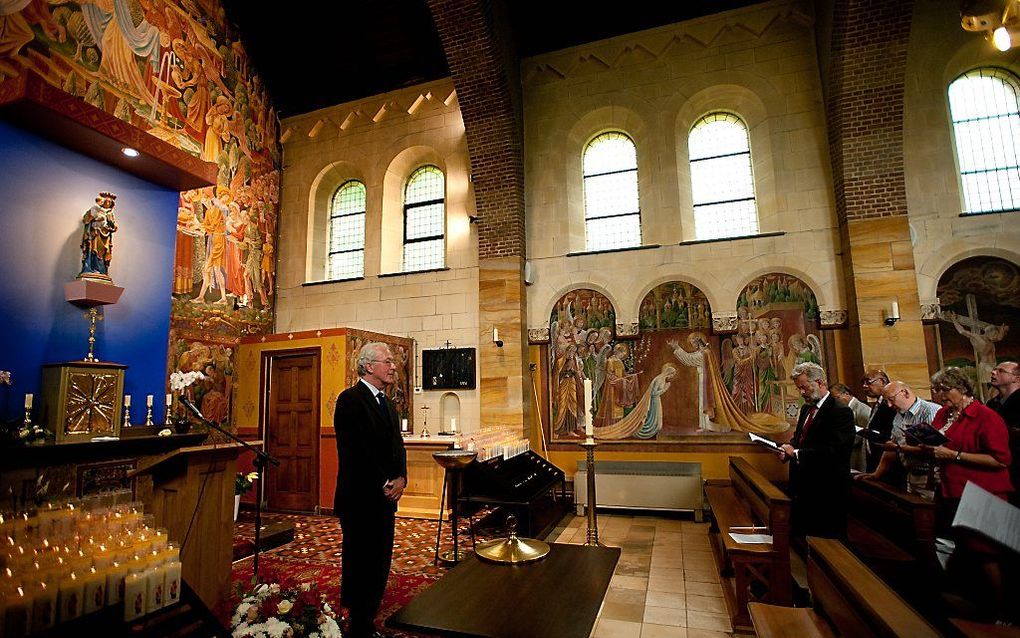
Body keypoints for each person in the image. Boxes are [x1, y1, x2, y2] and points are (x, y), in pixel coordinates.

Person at [927, 367, 1013, 622]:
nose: (940, 395)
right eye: (938, 389)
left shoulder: (986, 417)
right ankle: (974, 606)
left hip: (983, 494)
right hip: (950, 491)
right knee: (964, 552)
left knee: (985, 554)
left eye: (946, 389)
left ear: (963, 389)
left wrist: (955, 456)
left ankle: (1001, 613)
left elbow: (1001, 460)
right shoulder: (944, 414)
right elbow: (939, 442)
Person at [333, 342, 407, 638]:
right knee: (361, 559)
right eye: (387, 361)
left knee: (381, 559)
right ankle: (359, 623)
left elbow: (396, 447)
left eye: (392, 362)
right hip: (360, 498)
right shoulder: (350, 400)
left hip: (387, 498)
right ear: (367, 366)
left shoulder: (387, 403)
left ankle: (368, 612)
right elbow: (355, 451)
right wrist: (383, 483)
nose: (393, 367)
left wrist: (401, 478)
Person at [780, 362, 855, 539]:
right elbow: (800, 439)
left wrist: (796, 453)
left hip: (827, 489)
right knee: (802, 535)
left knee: (825, 538)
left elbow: (835, 451)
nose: (802, 392)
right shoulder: (807, 409)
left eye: (804, 387)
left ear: (820, 383)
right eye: (799, 388)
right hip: (803, 485)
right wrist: (788, 450)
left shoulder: (840, 411)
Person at [857, 381, 941, 499]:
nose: (890, 405)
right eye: (886, 401)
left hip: (930, 478)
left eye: (891, 399)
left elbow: (933, 450)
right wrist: (877, 474)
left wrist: (898, 448)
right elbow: (891, 448)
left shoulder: (930, 411)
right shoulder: (898, 416)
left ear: (905, 392)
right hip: (910, 476)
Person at [987, 361, 1020, 505]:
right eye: (994, 370)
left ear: (1016, 378)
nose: (993, 373)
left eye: (1001, 371)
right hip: (998, 468)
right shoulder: (991, 404)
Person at [861, 369, 896, 472]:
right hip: (875, 459)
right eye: (862, 383)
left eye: (868, 382)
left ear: (882, 381)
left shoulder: (891, 404)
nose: (864, 386)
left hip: (889, 462)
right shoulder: (877, 404)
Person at [830, 383, 871, 472]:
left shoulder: (862, 409)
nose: (834, 401)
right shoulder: (842, 409)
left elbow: (866, 434)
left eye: (836, 397)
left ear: (847, 394)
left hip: (858, 456)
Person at [79, 191, 118, 279]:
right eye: (106, 201)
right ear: (103, 202)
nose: (108, 203)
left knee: (104, 253)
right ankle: (91, 269)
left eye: (110, 202)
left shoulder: (110, 213)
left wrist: (112, 226)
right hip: (95, 235)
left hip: (105, 236)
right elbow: (87, 220)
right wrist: (94, 219)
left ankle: (101, 271)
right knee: (93, 250)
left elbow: (114, 226)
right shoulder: (95, 209)